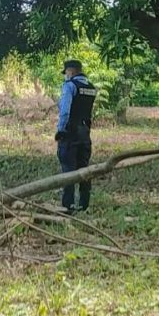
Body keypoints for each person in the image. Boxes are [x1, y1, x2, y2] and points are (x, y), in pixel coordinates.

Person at [55, 60, 98, 212]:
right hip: (85, 133)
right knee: (83, 169)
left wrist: (60, 130)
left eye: (66, 72)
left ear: (71, 71)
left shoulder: (70, 86)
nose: (65, 75)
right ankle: (84, 204)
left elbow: (65, 111)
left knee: (68, 170)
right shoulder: (92, 88)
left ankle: (68, 206)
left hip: (71, 132)